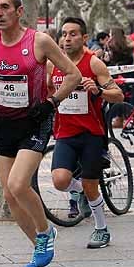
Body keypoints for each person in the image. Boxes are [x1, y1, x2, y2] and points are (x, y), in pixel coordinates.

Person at [0, 0, 81, 267]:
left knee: (17, 184)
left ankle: (45, 232)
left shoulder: (39, 41)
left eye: (5, 7)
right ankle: (39, 243)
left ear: (19, 11)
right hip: (4, 124)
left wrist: (52, 102)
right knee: (10, 196)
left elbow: (74, 75)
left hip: (35, 121)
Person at [48, 17, 124, 248]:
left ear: (84, 38)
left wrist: (99, 90)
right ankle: (82, 192)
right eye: (64, 34)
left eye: (73, 34)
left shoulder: (93, 64)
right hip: (65, 132)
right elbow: (49, 91)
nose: (67, 38)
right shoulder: (53, 65)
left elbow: (118, 94)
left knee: (92, 185)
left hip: (91, 133)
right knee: (60, 180)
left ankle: (101, 229)